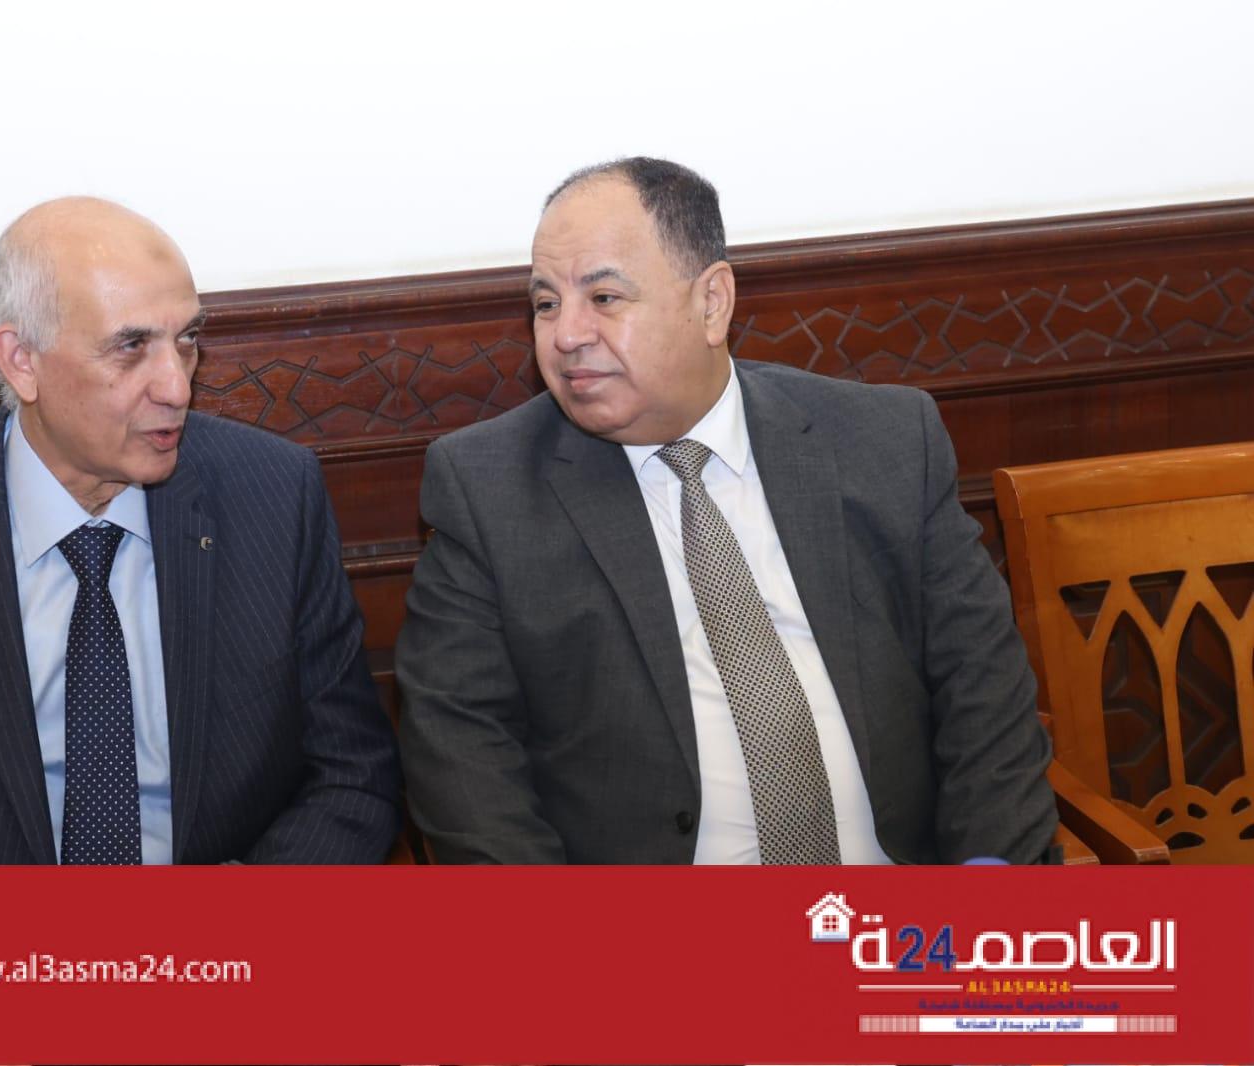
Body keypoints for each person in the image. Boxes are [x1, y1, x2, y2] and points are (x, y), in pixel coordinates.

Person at [396, 158, 1056, 865]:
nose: (565, 335)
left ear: (712, 302)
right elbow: (461, 760)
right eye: (546, 303)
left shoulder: (884, 441)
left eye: (604, 298)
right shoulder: (486, 489)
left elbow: (986, 699)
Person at [0, 197, 400, 864]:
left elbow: (353, 774)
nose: (177, 387)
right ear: (21, 360)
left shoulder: (273, 495)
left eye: (186, 340)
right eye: (131, 347)